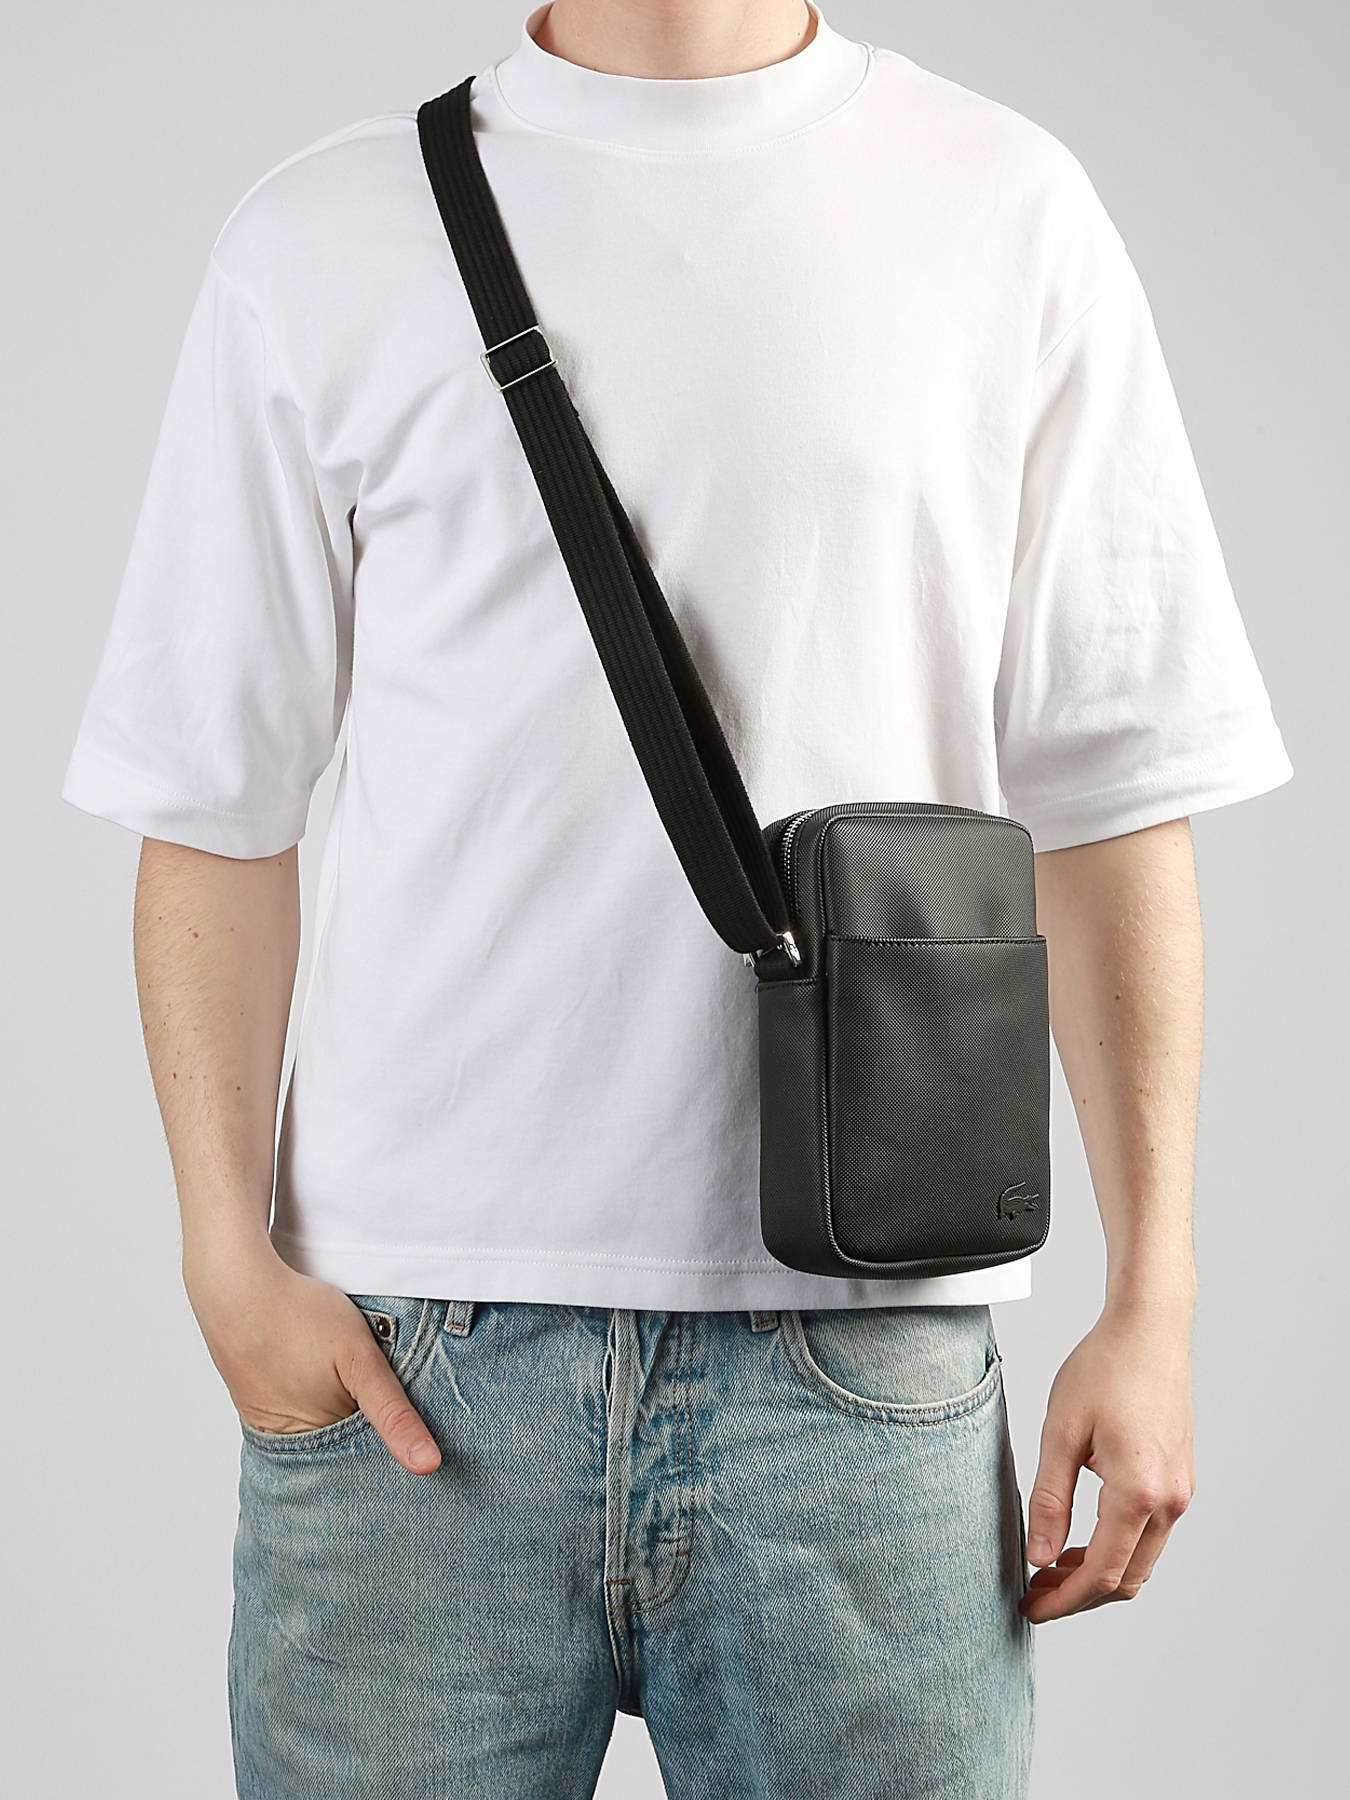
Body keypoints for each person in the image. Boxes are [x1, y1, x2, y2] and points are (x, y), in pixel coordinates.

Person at [60, 2, 1292, 1795]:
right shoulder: (321, 234)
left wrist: (1153, 1298)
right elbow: (208, 806)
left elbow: (1112, 804)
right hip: (410, 1362)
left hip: (863, 1365)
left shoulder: (1002, 203)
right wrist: (221, 1262)